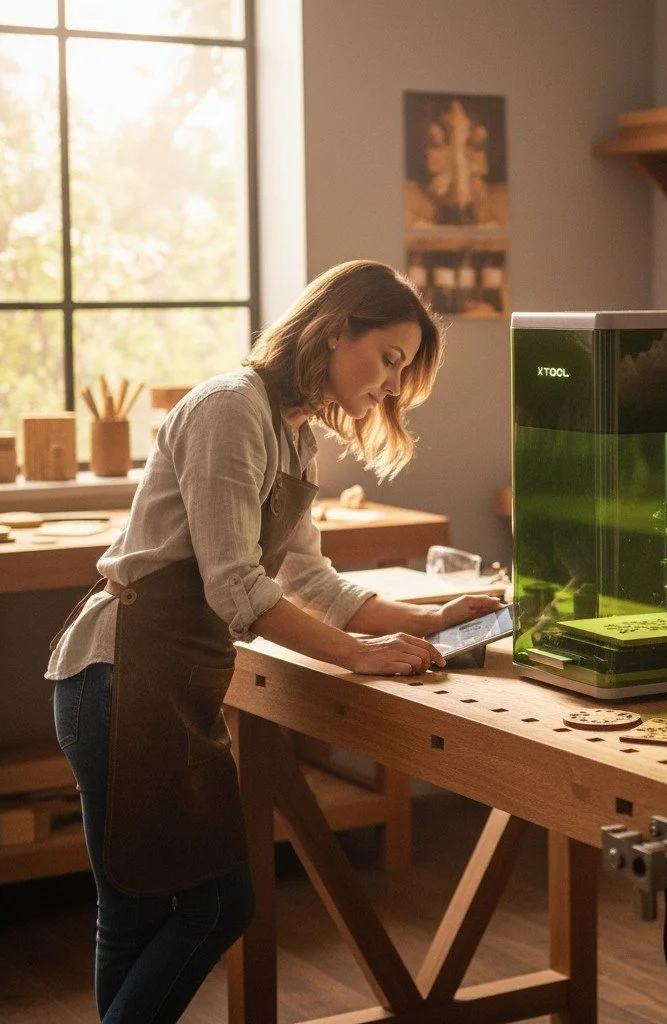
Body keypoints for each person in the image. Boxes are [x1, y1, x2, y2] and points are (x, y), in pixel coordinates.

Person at [46, 259, 501, 1023]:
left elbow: (309, 578)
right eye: (388, 359)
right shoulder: (230, 409)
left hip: (166, 684)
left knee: (137, 915)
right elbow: (236, 588)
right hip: (116, 680)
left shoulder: (294, 437)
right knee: (216, 902)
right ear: (333, 331)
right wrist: (359, 655)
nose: (391, 386)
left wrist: (422, 621)